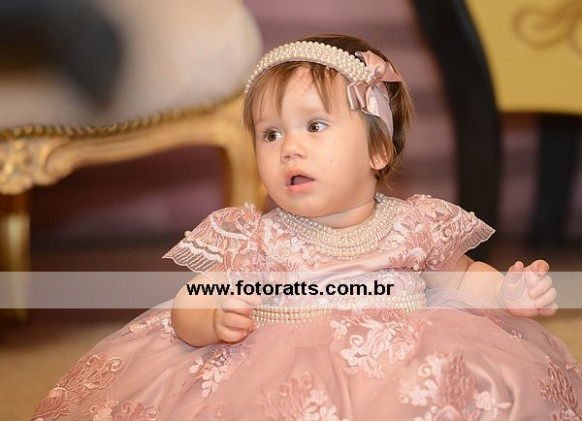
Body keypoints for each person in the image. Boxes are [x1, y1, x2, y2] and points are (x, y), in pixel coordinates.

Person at [32, 34, 581, 420]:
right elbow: (191, 301)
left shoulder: (415, 224)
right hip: (276, 375)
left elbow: (460, 279)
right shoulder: (254, 237)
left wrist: (506, 292)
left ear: (378, 151)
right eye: (270, 134)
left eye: (315, 126)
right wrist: (211, 318)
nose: (290, 147)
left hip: (402, 367)